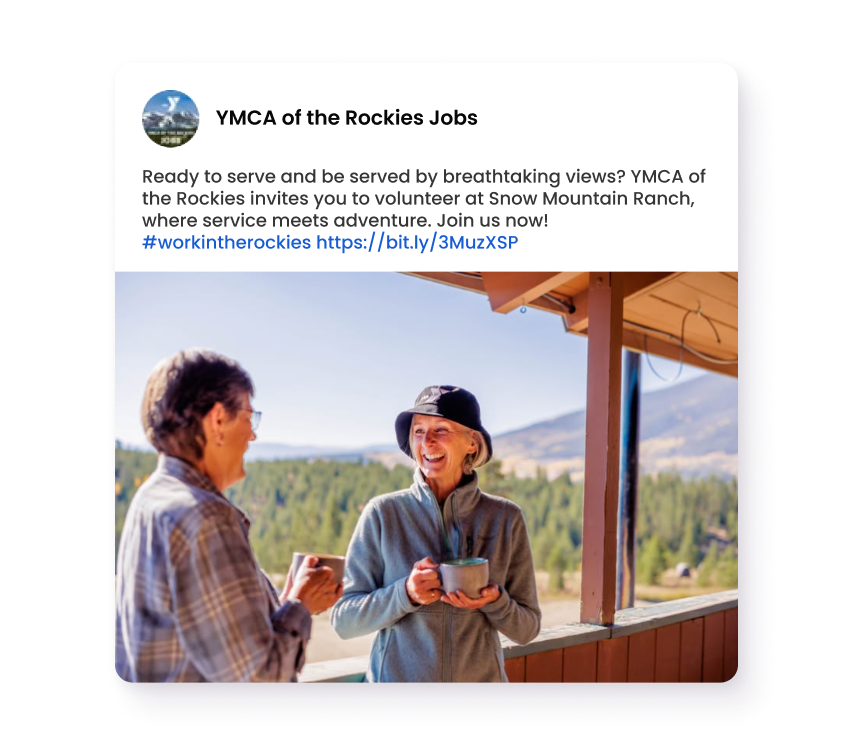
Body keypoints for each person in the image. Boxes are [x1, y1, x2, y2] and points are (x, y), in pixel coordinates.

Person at [115, 348, 342, 683]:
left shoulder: (152, 497)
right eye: (250, 418)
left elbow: (212, 637)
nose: (253, 436)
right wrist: (300, 607)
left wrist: (284, 601)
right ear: (218, 421)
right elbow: (258, 679)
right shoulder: (204, 516)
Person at [330, 385, 541, 682]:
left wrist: (494, 601)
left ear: (472, 443)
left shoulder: (505, 519)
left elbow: (527, 629)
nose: (426, 440)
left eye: (441, 429)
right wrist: (406, 593)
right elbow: (344, 621)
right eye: (418, 430)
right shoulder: (383, 513)